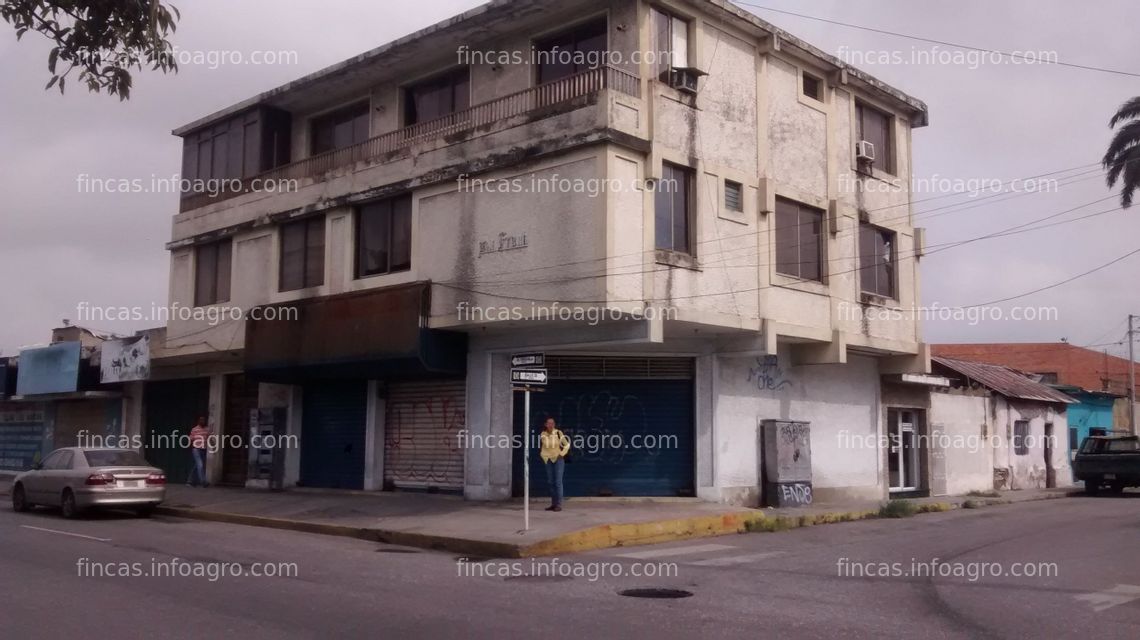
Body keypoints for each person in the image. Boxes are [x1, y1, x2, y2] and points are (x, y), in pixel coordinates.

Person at [539, 416, 570, 511]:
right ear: (546, 425)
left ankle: (559, 505)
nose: (551, 425)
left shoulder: (558, 433)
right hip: (548, 460)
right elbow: (547, 445)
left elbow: (567, 444)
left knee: (558, 482)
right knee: (551, 482)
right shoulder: (543, 434)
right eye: (549, 423)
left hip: (558, 459)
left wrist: (562, 453)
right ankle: (553, 504)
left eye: (552, 423)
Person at [187, 417, 210, 488]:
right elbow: (190, 439)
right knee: (200, 465)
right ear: (198, 421)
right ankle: (203, 481)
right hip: (196, 449)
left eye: (203, 420)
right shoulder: (194, 429)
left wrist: (214, 446)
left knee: (197, 466)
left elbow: (210, 438)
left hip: (203, 450)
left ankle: (191, 481)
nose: (202, 421)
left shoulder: (207, 429)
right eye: (201, 420)